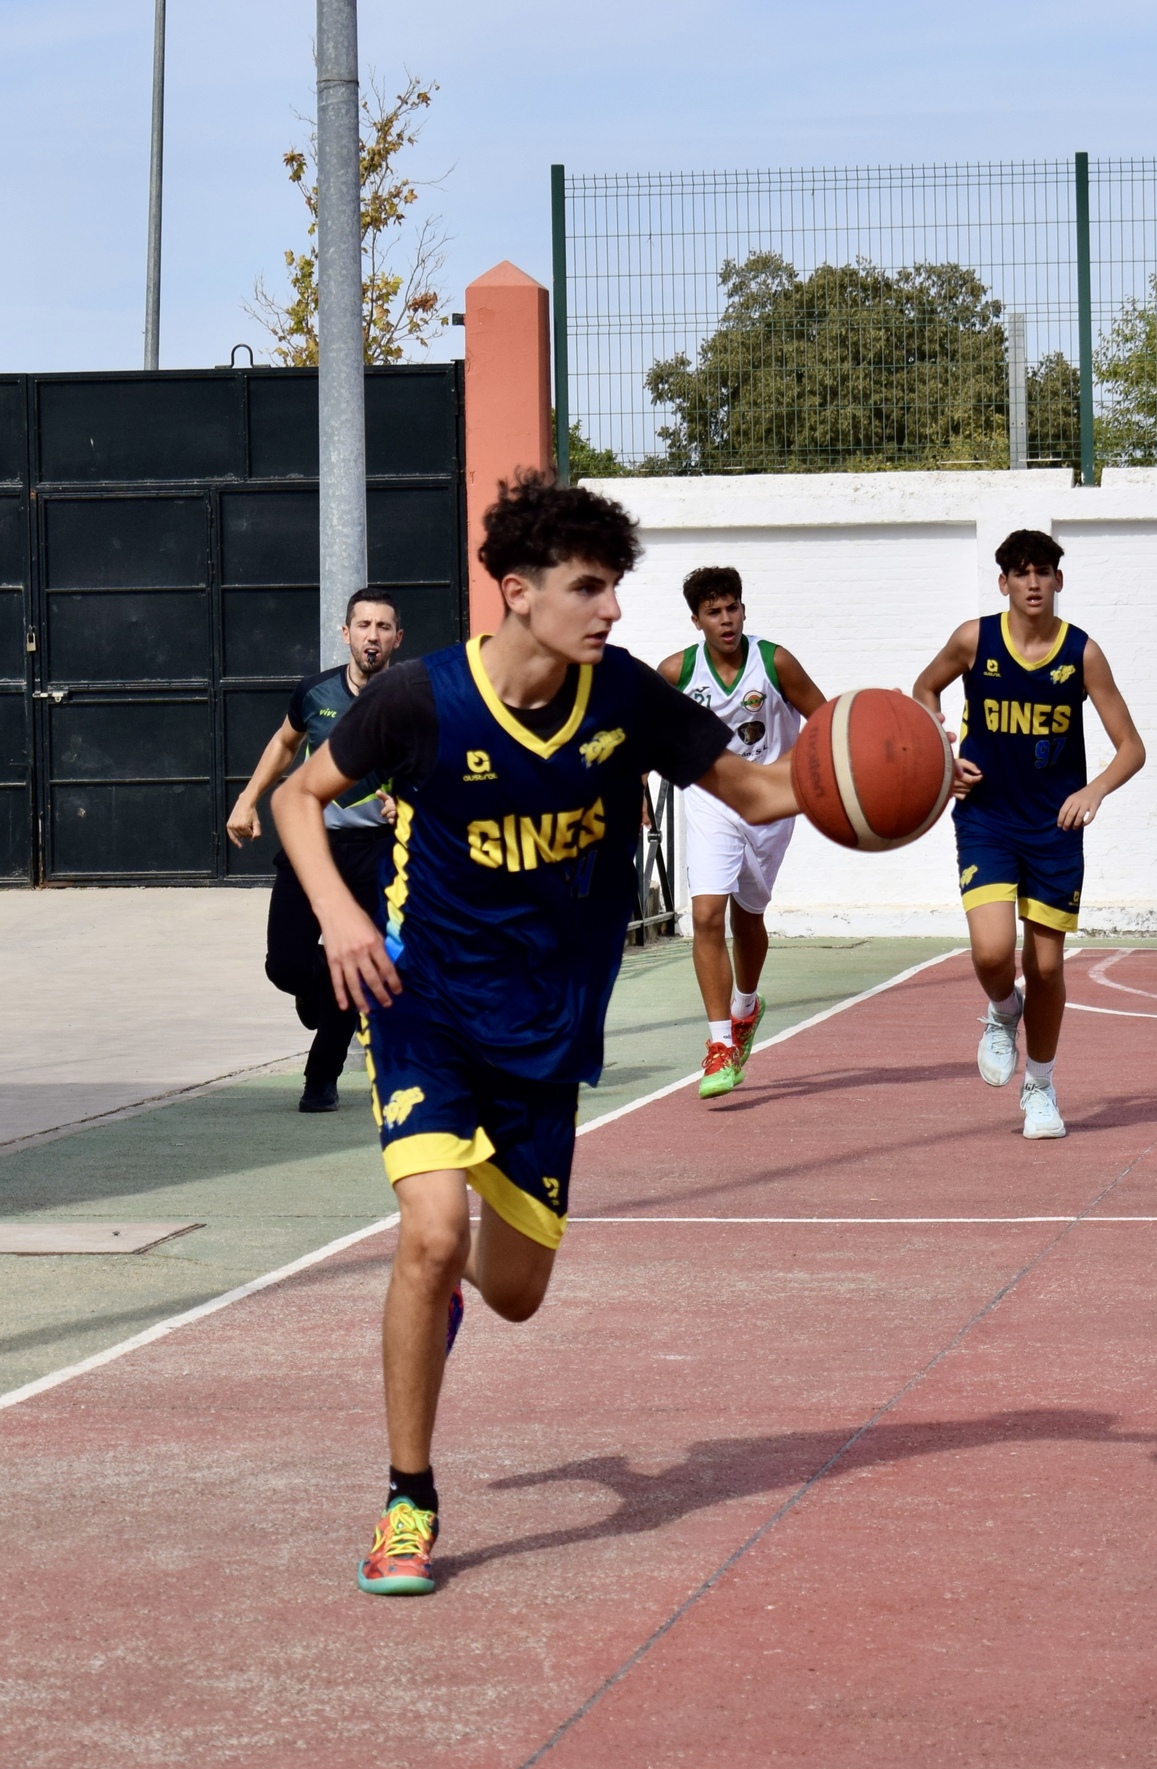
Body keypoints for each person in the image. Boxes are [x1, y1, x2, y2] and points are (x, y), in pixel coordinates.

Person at [272, 473, 805, 1596]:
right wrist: (338, 914)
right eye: (589, 588)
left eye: (614, 588)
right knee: (429, 1233)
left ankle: (452, 1289)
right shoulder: (420, 698)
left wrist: (892, 783)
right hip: (423, 1005)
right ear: (519, 591)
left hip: (548, 1029)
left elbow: (757, 791)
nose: (612, 610)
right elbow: (297, 798)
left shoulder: (626, 699)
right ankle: (408, 1500)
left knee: (513, 1291)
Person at [913, 529, 1144, 1139]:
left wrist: (1094, 790)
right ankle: (1001, 1010)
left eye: (1043, 571)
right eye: (1021, 573)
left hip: (1053, 827)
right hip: (987, 818)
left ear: (1058, 580)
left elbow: (1132, 747)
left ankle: (1040, 1087)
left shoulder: (1082, 653)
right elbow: (924, 687)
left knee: (1045, 968)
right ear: (1004, 583)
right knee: (993, 953)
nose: (1033, 582)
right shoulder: (974, 639)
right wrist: (942, 754)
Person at [226, 588, 401, 1113]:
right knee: (284, 965)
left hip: (377, 854)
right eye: (364, 625)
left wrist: (411, 801)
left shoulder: (414, 698)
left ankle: (320, 1078)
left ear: (397, 638)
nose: (372, 636)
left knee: (359, 966)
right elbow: (285, 742)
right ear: (346, 634)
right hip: (311, 846)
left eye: (383, 627)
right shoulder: (314, 692)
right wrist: (248, 798)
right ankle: (319, 988)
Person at [657, 567, 826, 1099]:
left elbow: (825, 720)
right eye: (714, 612)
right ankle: (719, 1044)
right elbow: (641, 729)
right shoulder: (677, 672)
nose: (725, 619)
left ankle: (746, 1008)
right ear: (696, 621)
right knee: (707, 913)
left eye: (732, 608)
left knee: (748, 915)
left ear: (743, 611)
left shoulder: (774, 662)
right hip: (711, 799)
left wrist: (794, 774)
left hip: (771, 801)